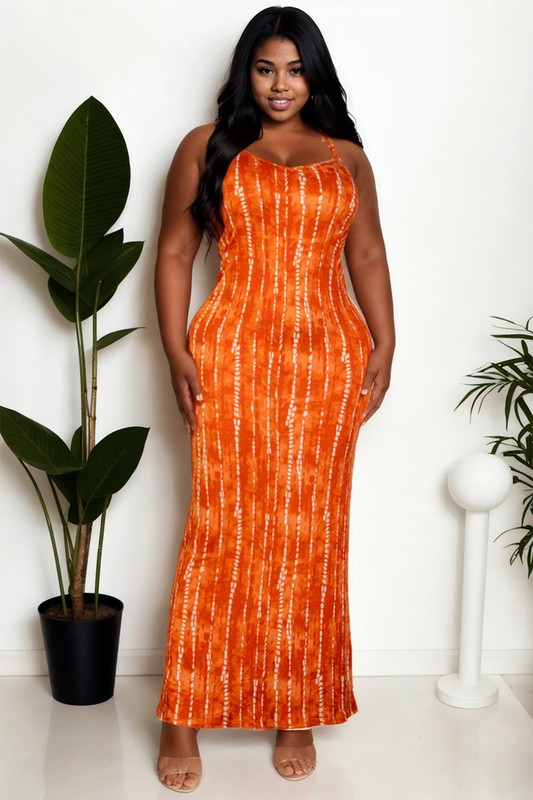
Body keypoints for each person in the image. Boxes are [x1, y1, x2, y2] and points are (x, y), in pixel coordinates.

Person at [154, 5, 394, 793]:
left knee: (311, 535)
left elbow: (366, 253)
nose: (280, 85)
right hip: (231, 357)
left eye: (294, 70)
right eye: (265, 69)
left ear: (314, 76)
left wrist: (385, 344)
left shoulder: (346, 157)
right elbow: (176, 252)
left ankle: (297, 708)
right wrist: (174, 349)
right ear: (245, 74)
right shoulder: (206, 146)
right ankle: (182, 716)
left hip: (327, 362)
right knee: (219, 529)